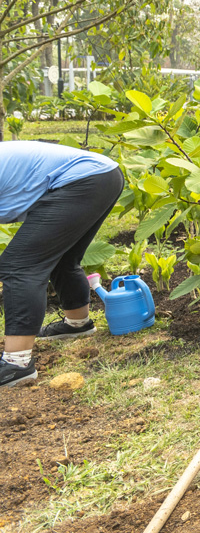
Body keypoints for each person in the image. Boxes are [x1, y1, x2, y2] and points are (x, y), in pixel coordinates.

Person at [0, 142, 124, 387]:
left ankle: (16, 364)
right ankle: (77, 324)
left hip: (83, 179)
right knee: (62, 256)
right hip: (102, 175)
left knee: (19, 266)